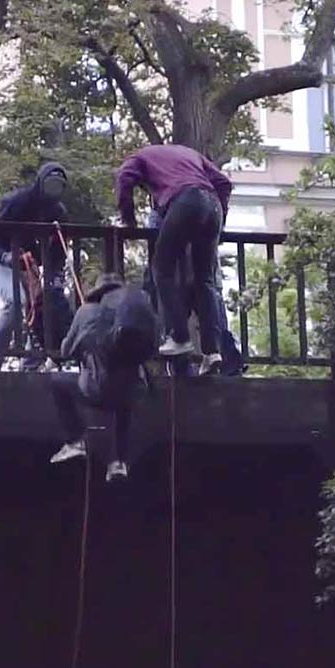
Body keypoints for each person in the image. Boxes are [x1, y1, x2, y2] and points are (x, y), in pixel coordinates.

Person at [115, 144, 231, 373]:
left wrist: (129, 221)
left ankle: (179, 337)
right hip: (212, 205)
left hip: (186, 201)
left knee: (162, 269)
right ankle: (212, 351)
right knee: (205, 280)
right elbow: (224, 183)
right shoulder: (190, 154)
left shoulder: (139, 157)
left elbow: (124, 179)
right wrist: (221, 218)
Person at [50, 273, 158, 482]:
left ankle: (75, 441)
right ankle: (119, 462)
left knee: (58, 382)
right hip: (135, 391)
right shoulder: (129, 315)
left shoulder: (86, 311)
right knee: (124, 394)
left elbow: (65, 350)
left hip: (97, 389)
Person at [0, 162, 71, 372]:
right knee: (17, 302)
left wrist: (54, 277)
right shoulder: (17, 202)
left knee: (42, 306)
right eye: (50, 184)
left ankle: (31, 366)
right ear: (40, 182)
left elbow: (58, 251)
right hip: (0, 261)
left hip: (29, 265)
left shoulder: (58, 213)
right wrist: (5, 256)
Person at [145, 207, 244, 376]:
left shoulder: (165, 209)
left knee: (177, 315)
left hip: (180, 267)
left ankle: (186, 366)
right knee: (209, 310)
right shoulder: (206, 202)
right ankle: (218, 360)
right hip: (199, 265)